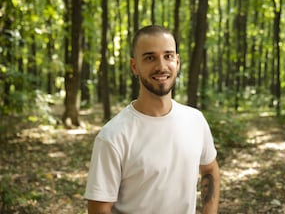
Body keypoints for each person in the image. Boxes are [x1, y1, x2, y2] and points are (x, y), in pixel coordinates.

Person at [84, 25, 220, 214]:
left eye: (168, 56)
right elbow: (99, 210)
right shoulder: (113, 136)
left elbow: (210, 170)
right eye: (150, 58)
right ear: (134, 66)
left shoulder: (195, 120)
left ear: (177, 62)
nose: (161, 66)